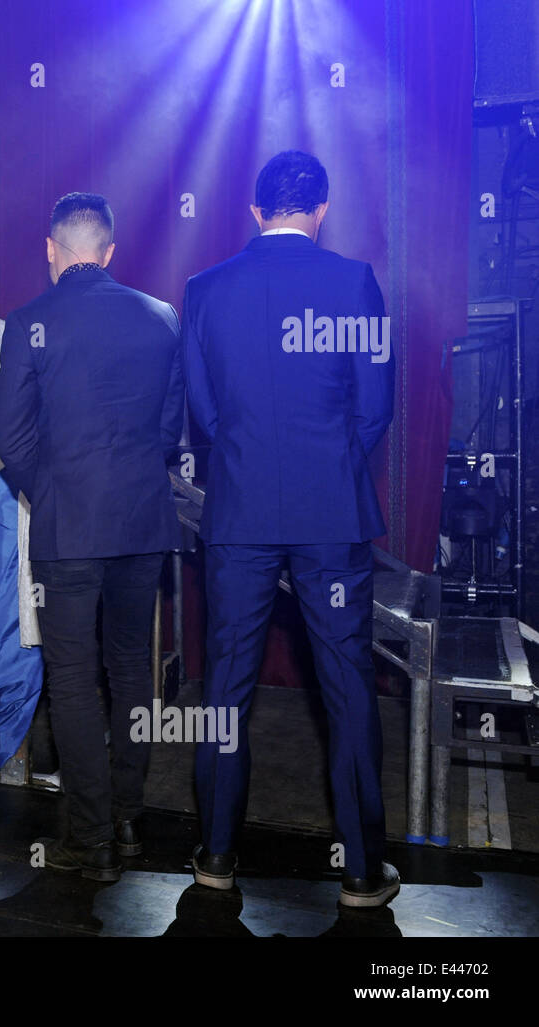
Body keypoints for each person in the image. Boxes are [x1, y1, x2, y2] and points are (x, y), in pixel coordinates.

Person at [182, 150, 398, 906]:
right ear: (323, 208)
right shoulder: (354, 284)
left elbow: (203, 416)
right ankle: (364, 871)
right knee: (344, 686)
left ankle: (214, 854)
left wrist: (250, 462)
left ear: (253, 210)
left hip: (238, 514)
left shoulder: (204, 290)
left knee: (226, 688)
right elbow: (375, 410)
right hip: (331, 515)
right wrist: (326, 469)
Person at [0, 192, 183, 881]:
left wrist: (52, 495)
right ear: (109, 250)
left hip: (67, 528)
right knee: (132, 669)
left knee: (72, 680)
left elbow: (12, 440)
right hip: (141, 524)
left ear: (51, 249)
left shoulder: (29, 321)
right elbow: (170, 433)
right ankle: (130, 820)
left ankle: (92, 840)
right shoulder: (161, 315)